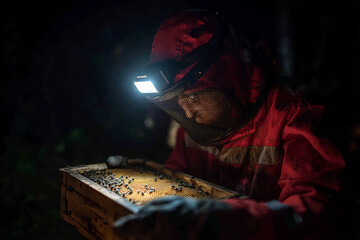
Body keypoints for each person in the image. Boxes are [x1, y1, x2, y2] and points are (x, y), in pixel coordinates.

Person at [114, 10, 345, 240]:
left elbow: (317, 215)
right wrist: (145, 174)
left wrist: (218, 221)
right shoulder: (194, 130)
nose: (188, 113)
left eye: (194, 98)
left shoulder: (294, 117)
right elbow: (177, 179)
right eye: (179, 103)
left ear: (227, 76)